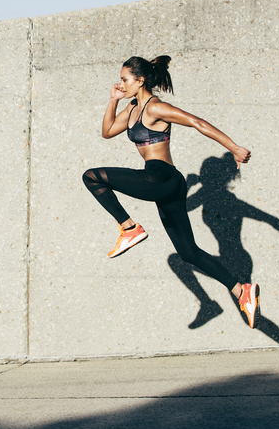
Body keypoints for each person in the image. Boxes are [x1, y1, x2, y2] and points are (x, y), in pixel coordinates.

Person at [82, 55, 260, 328]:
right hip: (165, 184)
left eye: (125, 79)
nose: (121, 83)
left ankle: (129, 228)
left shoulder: (155, 108)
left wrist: (234, 147)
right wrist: (113, 99)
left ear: (140, 81)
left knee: (92, 177)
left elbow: (197, 122)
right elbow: (107, 132)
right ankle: (240, 290)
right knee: (188, 252)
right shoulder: (130, 110)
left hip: (162, 177)